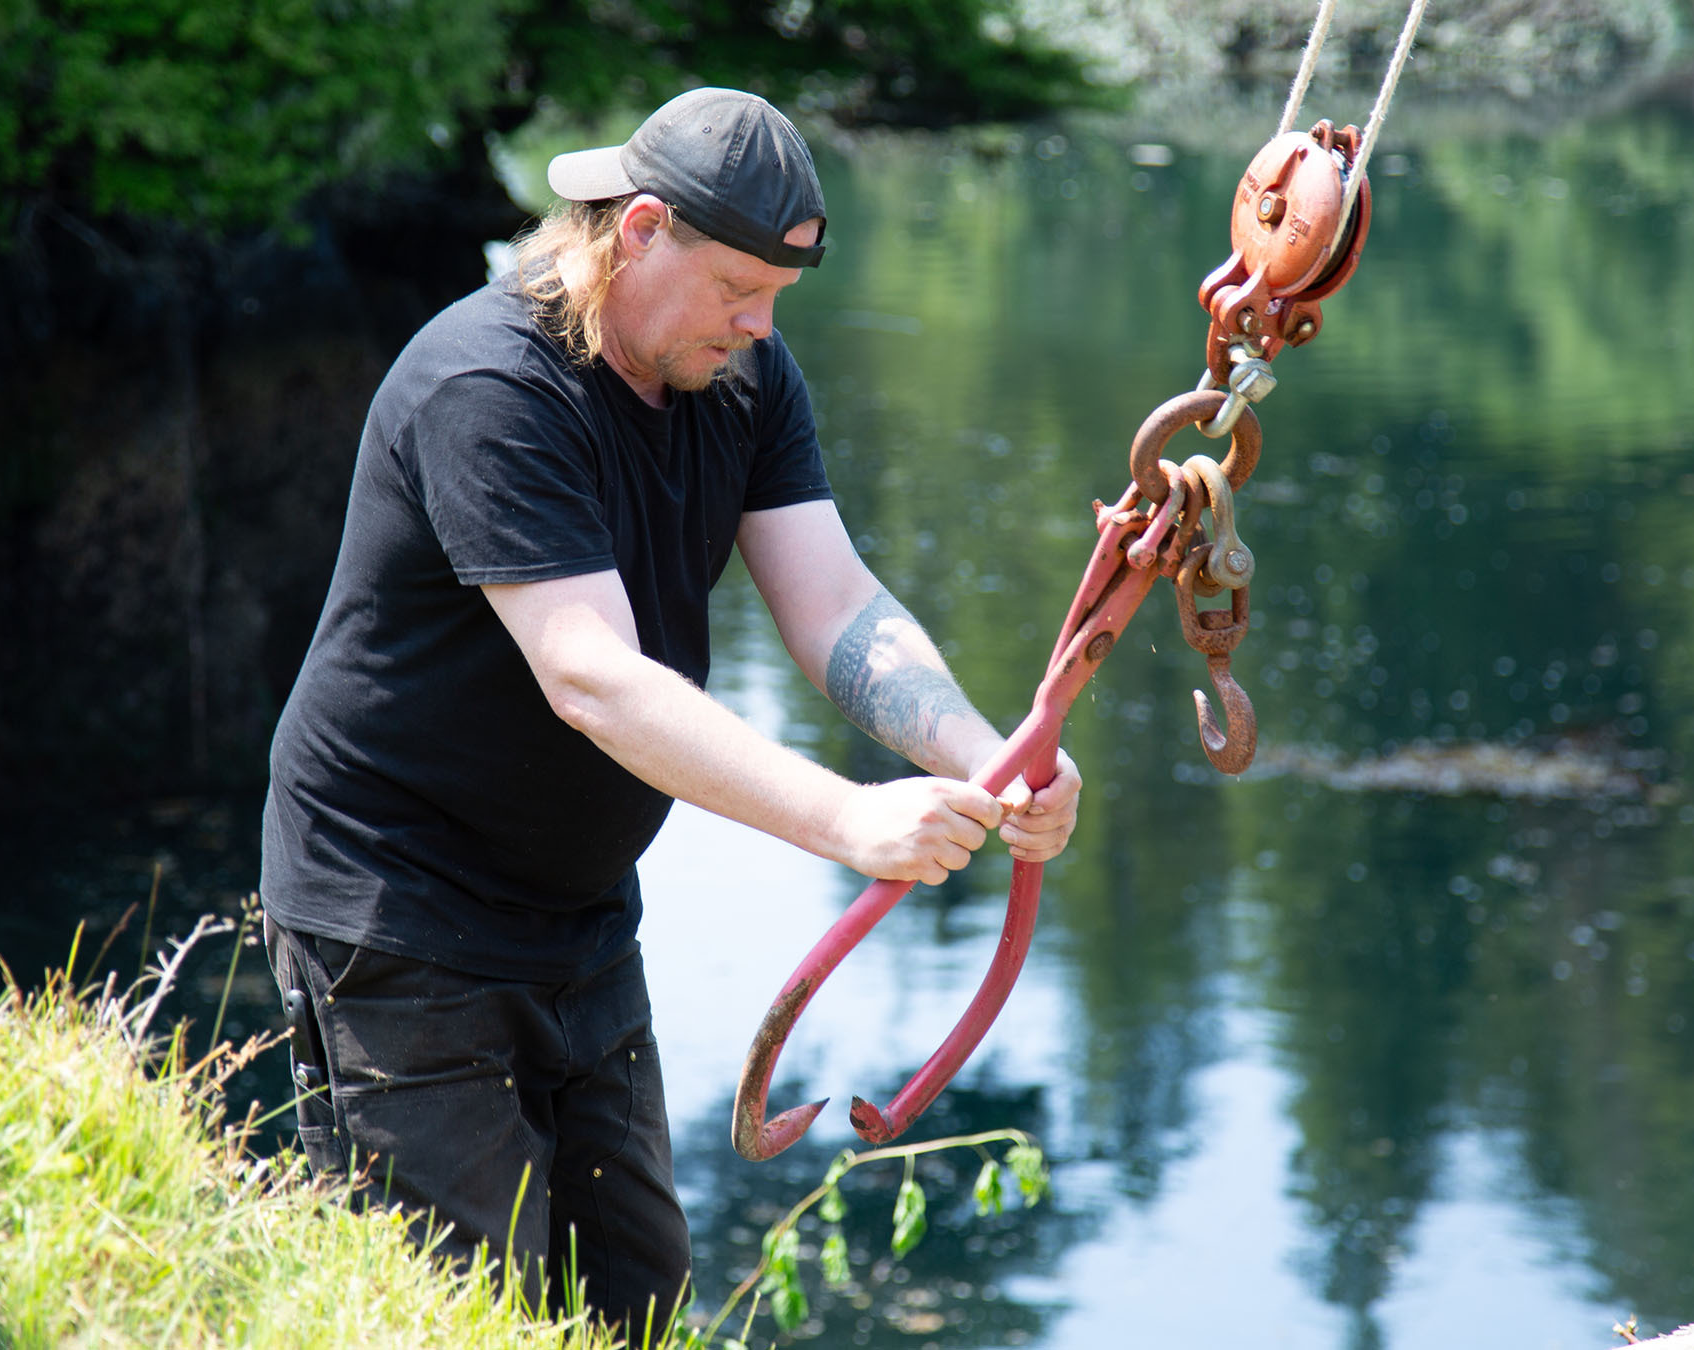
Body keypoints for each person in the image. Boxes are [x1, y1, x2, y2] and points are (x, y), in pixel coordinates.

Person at [259, 87, 1082, 1341]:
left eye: (777, 301)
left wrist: (992, 754)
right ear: (638, 229)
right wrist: (849, 820)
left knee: (636, 1307)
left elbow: (835, 603)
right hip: (399, 921)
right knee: (449, 1315)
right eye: (738, 291)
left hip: (580, 924)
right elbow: (592, 675)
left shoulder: (737, 373)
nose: (759, 327)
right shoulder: (488, 385)